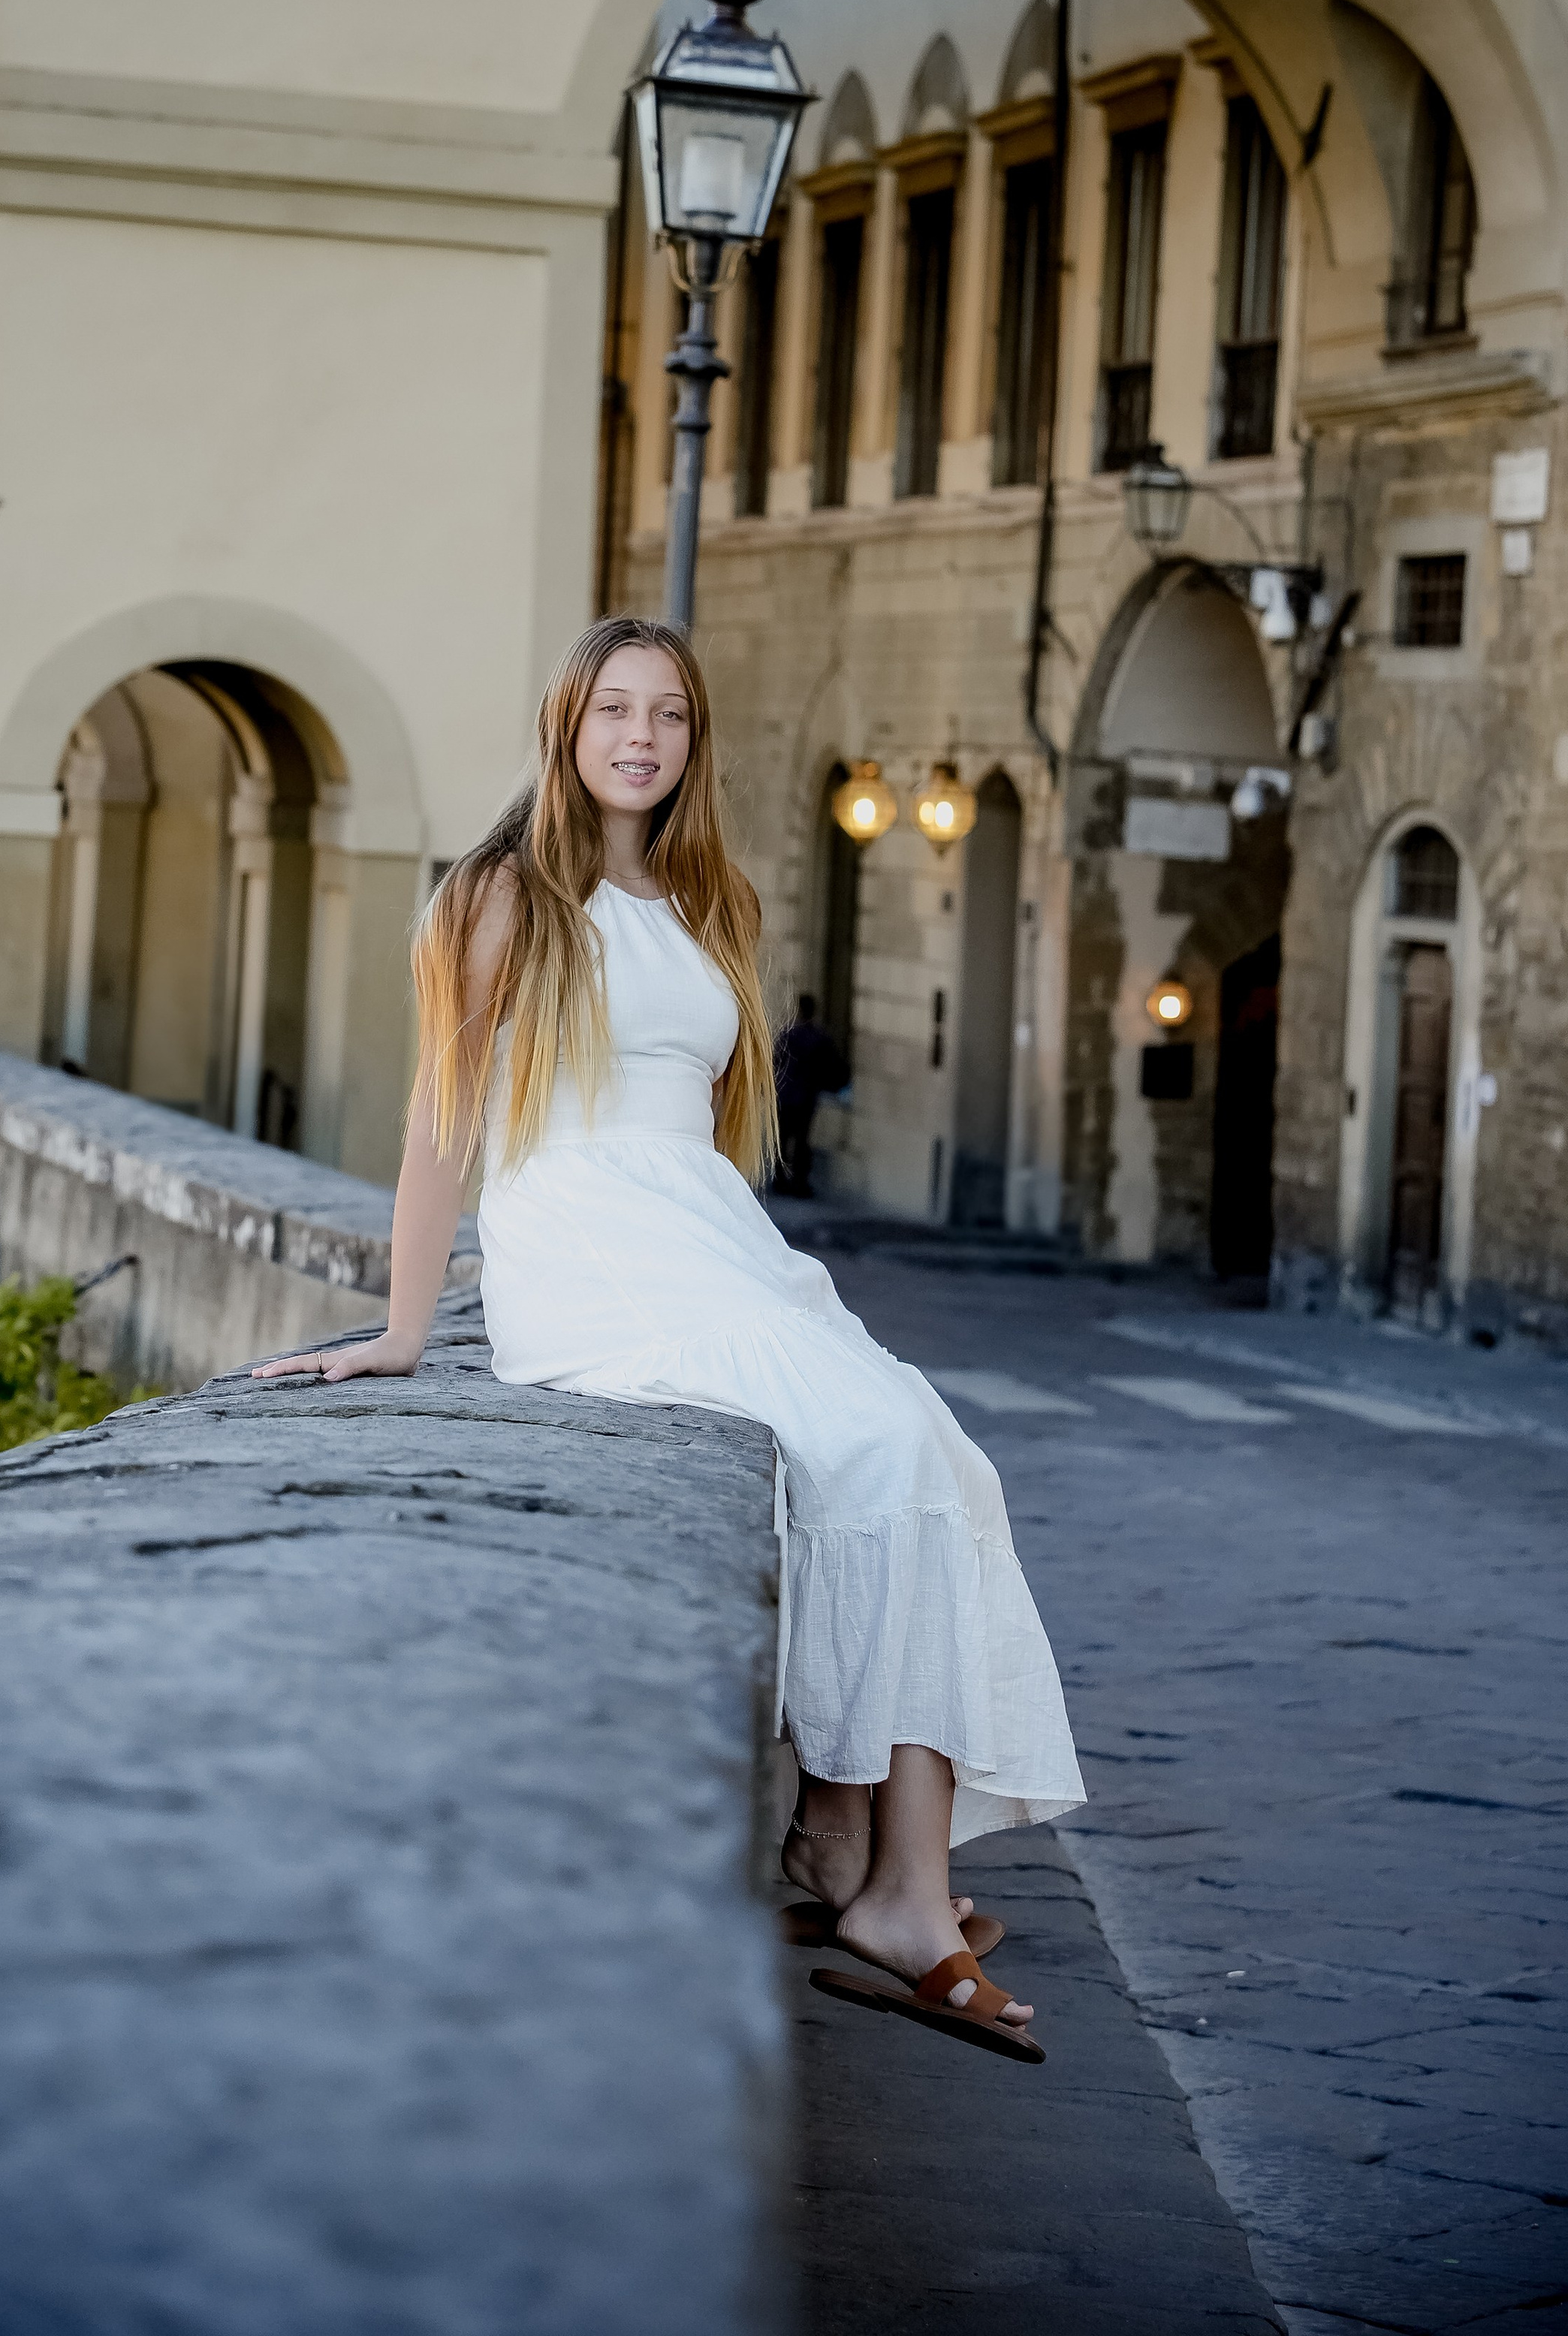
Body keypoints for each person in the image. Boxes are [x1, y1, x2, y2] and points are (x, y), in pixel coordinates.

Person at [258, 616, 1082, 2061]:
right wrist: (402, 1330)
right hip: (587, 1245)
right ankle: (891, 1892)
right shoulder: (502, 896)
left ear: (693, 743)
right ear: (566, 728)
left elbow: (696, 1132)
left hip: (701, 1233)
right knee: (880, 1440)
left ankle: (863, 1859)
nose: (644, 738)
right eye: (617, 711)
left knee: (939, 1456)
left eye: (673, 717)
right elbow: (442, 1128)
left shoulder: (711, 903)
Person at [773, 991, 846, 1198]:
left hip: (786, 1095)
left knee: (784, 1139)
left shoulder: (787, 1035)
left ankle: (781, 1179)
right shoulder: (819, 1038)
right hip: (805, 1096)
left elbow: (776, 1062)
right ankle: (798, 1182)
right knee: (801, 1140)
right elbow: (831, 1066)